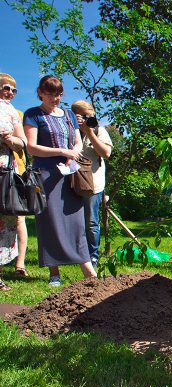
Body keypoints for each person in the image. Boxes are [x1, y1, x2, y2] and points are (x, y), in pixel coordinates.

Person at [23, 76, 97, 286]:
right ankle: (54, 272)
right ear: (40, 93)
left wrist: (72, 152)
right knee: (49, 222)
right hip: (45, 174)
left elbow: (77, 142)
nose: (55, 98)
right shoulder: (33, 114)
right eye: (50, 93)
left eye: (58, 94)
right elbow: (31, 147)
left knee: (76, 222)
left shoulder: (68, 115)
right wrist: (61, 151)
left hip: (70, 174)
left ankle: (88, 270)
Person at [71, 100, 113, 268]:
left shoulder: (98, 130)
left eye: (91, 116)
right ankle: (74, 254)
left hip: (93, 184)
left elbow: (105, 153)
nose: (89, 118)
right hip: (70, 183)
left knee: (91, 222)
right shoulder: (68, 130)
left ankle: (92, 256)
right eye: (84, 116)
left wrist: (89, 132)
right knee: (73, 221)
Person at [0, 74, 28, 291]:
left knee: (4, 222)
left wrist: (11, 140)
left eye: (14, 90)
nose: (10, 93)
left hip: (4, 173)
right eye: (6, 88)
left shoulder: (12, 112)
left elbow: (23, 143)